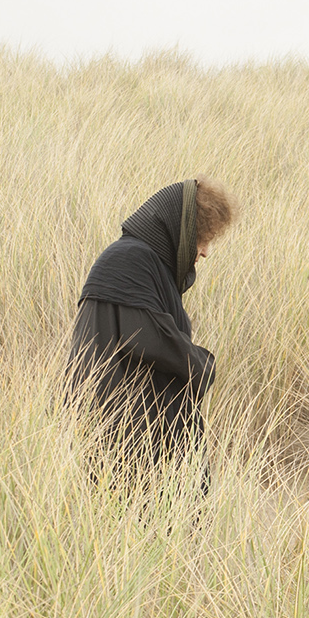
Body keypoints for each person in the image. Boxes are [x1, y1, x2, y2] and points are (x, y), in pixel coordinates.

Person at [67, 177, 235, 478]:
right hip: (125, 437)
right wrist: (202, 364)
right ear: (180, 232)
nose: (206, 251)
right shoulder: (130, 259)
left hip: (127, 432)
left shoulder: (144, 263)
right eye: (203, 237)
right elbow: (150, 338)